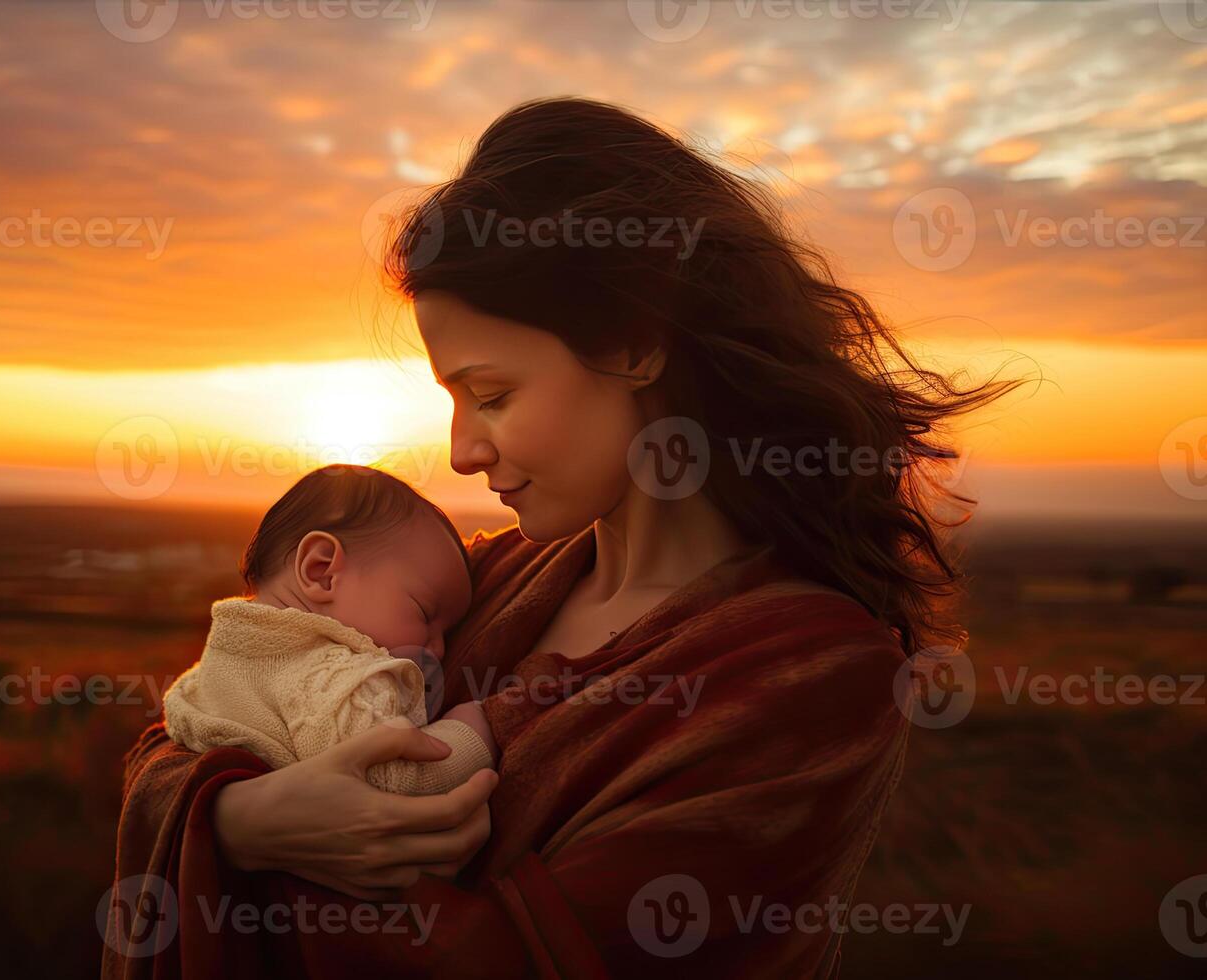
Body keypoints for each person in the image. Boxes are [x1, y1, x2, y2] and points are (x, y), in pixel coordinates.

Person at [103, 96, 1020, 978]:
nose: (461, 451)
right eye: (453, 401)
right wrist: (241, 820)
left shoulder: (813, 675)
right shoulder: (487, 580)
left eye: (492, 394)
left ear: (631, 346)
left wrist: (244, 847)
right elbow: (205, 709)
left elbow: (508, 959)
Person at [161, 464, 499, 796]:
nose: (439, 650)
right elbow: (393, 781)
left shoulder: (219, 661)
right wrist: (473, 730)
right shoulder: (334, 681)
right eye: (425, 613)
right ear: (322, 572)